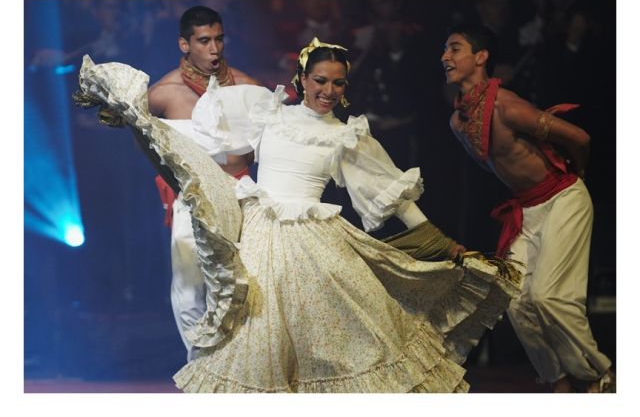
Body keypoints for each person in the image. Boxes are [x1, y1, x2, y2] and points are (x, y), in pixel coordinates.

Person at [75, 37, 520, 393]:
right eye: (321, 80)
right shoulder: (269, 114)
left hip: (316, 247)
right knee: (260, 344)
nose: (329, 91)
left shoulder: (347, 136)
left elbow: (393, 196)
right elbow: (212, 146)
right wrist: (145, 126)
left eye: (339, 83)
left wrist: (440, 243)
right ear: (302, 79)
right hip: (259, 238)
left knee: (330, 347)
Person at [441, 24, 614, 392]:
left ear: (481, 57)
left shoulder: (507, 106)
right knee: (516, 300)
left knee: (548, 296)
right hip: (528, 208)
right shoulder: (458, 122)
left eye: (455, 49)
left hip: (563, 198)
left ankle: (599, 372)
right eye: (445, 51)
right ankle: (559, 380)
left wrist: (576, 174)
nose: (446, 57)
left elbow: (579, 138)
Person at [141, 5, 260, 362]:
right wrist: (169, 180)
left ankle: (240, 366)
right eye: (204, 41)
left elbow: (265, 146)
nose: (214, 49)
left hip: (240, 197)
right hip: (190, 203)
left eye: (219, 39)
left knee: (246, 286)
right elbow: (141, 138)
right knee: (189, 288)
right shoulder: (163, 94)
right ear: (184, 44)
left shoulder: (247, 87)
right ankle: (200, 367)